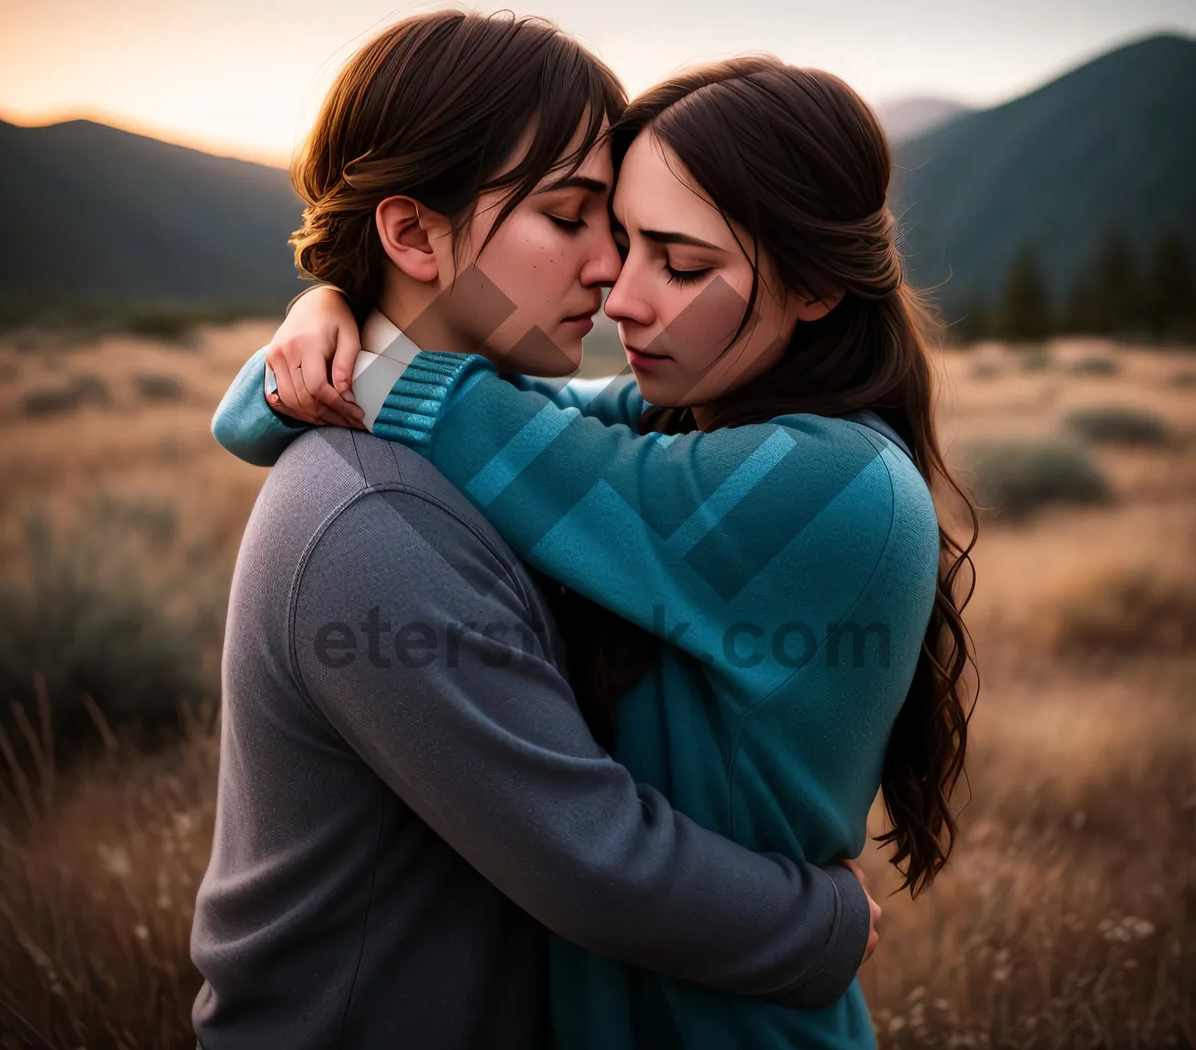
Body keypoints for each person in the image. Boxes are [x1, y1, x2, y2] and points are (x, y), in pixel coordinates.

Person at [219, 52, 978, 1049]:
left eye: (684, 263)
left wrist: (355, 320)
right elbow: (262, 412)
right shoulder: (681, 424)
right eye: (620, 238)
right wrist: (329, 311)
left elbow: (472, 419)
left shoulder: (829, 486)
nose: (621, 293)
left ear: (819, 286)